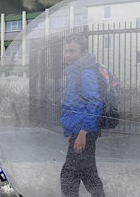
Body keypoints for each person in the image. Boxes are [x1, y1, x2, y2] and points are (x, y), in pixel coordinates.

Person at [60, 35, 105, 197]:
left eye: (72, 51)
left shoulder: (85, 73)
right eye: (65, 51)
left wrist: (83, 133)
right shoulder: (75, 72)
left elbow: (95, 104)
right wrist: (69, 132)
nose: (67, 54)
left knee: (68, 176)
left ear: (83, 52)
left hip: (84, 133)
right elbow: (71, 105)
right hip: (77, 132)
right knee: (88, 174)